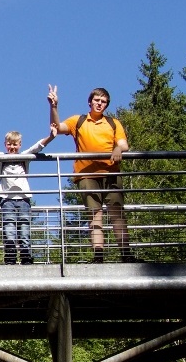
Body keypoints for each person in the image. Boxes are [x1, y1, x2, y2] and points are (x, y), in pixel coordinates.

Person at [48, 85, 133, 263]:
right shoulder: (78, 121)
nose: (99, 104)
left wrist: (118, 148)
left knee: (117, 214)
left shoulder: (113, 123)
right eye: (97, 100)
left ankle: (126, 254)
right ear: (90, 102)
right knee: (95, 215)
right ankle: (98, 255)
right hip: (86, 175)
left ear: (106, 105)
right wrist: (54, 106)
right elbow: (58, 127)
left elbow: (124, 144)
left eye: (103, 101)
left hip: (111, 173)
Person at [0, 126, 57, 264]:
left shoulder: (24, 157)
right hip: (7, 199)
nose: (12, 147)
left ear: (20, 145)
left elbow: (37, 147)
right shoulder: (1, 158)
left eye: (15, 144)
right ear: (5, 145)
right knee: (9, 228)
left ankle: (26, 257)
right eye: (9, 144)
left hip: (23, 198)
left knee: (24, 228)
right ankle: (10, 257)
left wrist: (51, 137)